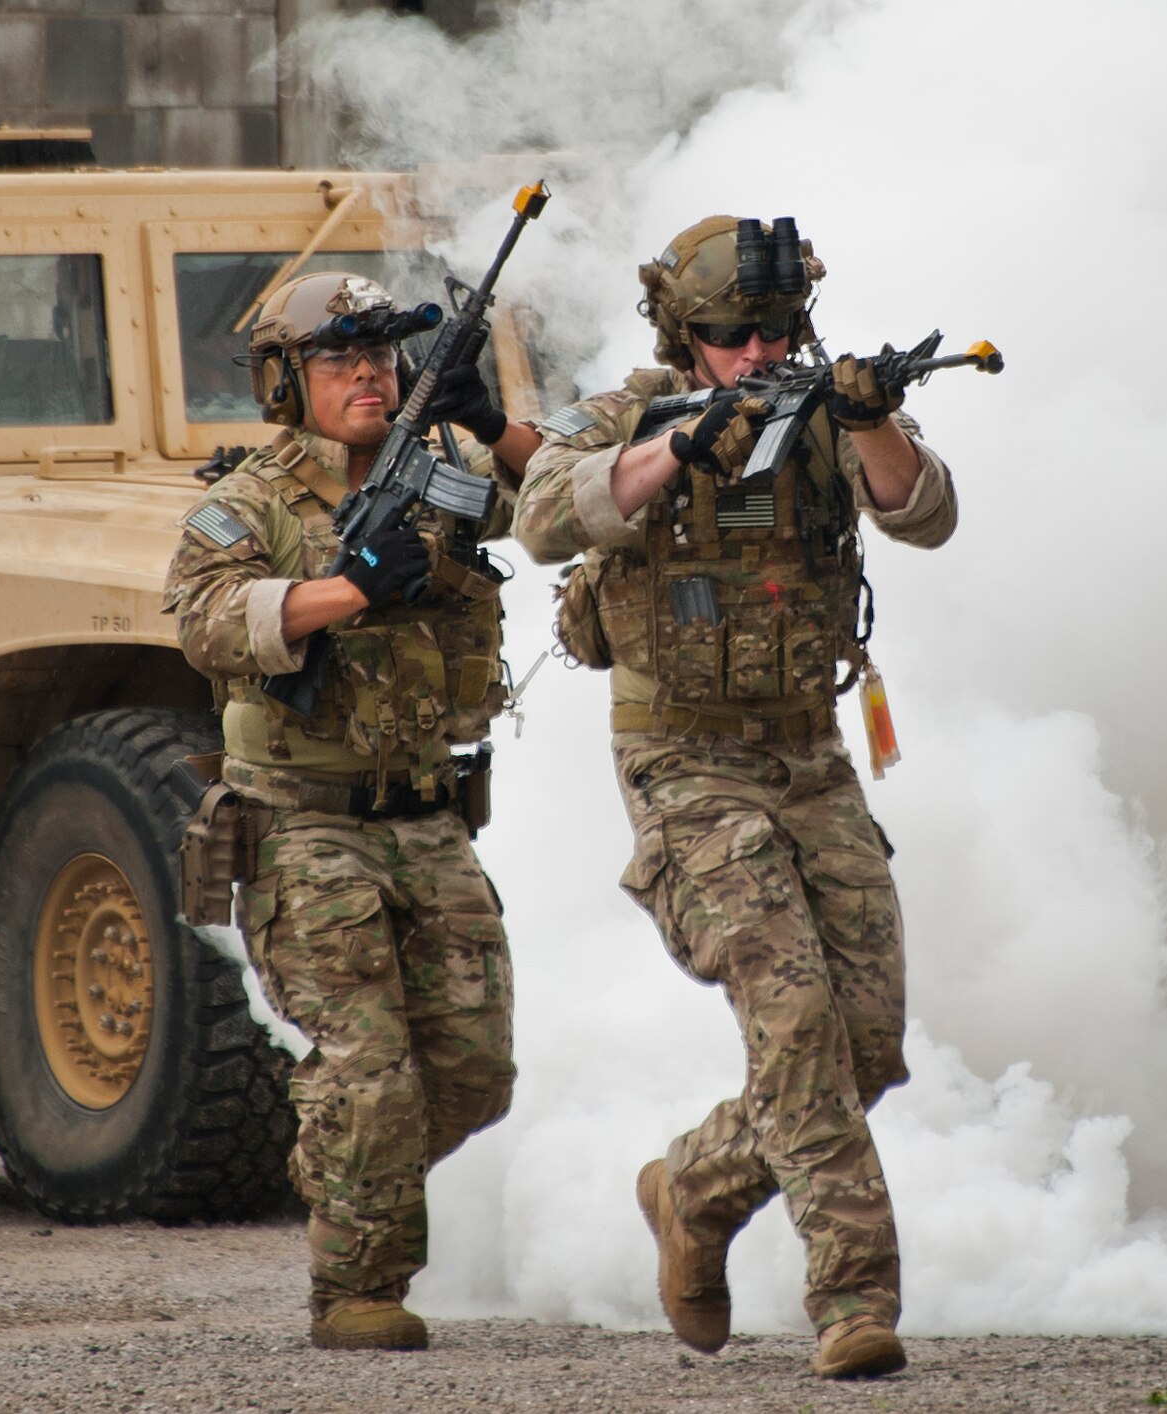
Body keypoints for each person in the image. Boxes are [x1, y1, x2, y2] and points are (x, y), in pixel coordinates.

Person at [514, 216, 957, 1378]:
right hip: (682, 760)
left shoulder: (824, 414)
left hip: (810, 753)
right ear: (683, 333)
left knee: (864, 1046)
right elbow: (543, 517)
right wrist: (680, 447)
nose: (756, 352)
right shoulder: (625, 415)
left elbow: (923, 512)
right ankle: (853, 1297)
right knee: (795, 1015)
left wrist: (867, 417)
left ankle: (695, 1190)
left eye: (773, 330)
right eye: (728, 334)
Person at [162, 271, 540, 1351]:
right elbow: (203, 618)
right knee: (368, 1072)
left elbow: (561, 505)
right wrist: (349, 588)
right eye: (340, 358)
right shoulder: (252, 500)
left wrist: (489, 423)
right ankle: (357, 1288)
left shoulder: (444, 472)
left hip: (425, 811)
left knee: (473, 1072)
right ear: (288, 381)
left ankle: (341, 1168)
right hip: (302, 818)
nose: (369, 374)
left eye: (381, 355)